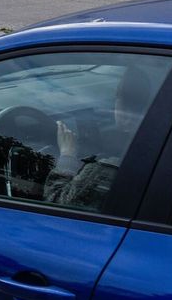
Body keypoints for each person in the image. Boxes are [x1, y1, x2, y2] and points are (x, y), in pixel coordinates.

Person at [44, 62, 162, 209]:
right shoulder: (162, 148)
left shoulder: (107, 171)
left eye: (117, 99)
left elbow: (57, 202)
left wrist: (67, 155)